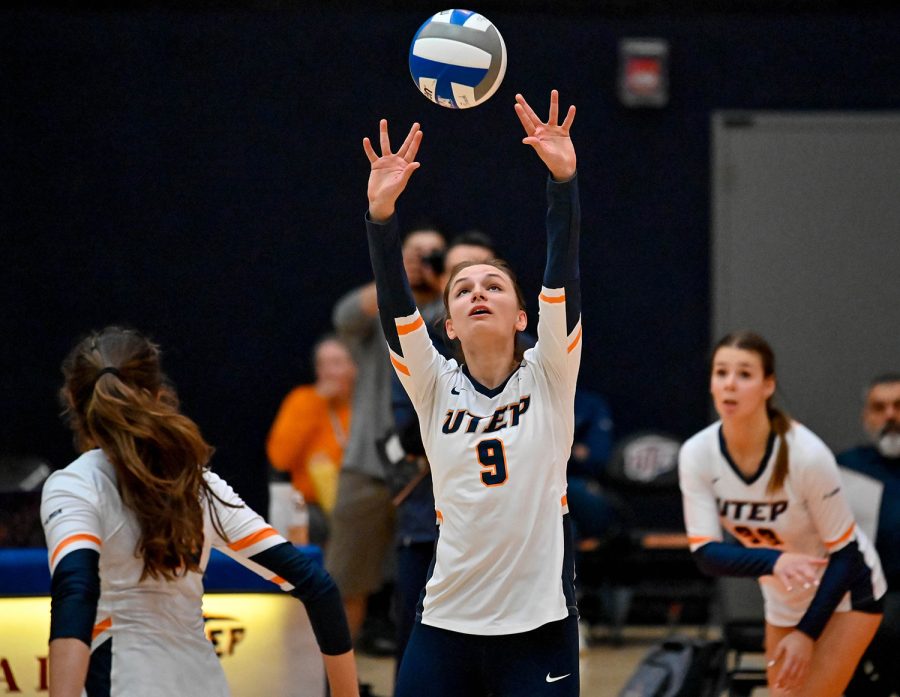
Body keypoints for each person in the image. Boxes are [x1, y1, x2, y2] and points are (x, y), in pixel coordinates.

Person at [362, 89, 582, 696]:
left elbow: (563, 274)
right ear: (449, 324)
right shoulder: (432, 385)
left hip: (539, 627)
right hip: (446, 625)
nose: (477, 291)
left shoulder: (551, 373)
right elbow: (394, 309)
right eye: (462, 290)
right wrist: (381, 219)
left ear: (521, 316)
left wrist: (562, 183)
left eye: (493, 284)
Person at [41, 326, 359, 697]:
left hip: (121, 682)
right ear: (159, 394)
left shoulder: (74, 485)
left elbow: (75, 594)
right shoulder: (198, 484)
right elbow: (316, 585)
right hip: (203, 682)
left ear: (73, 402)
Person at [678, 331, 885, 697]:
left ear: (767, 385)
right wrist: (776, 562)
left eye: (744, 374)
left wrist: (806, 633)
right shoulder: (697, 453)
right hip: (783, 596)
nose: (730, 384)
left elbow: (846, 554)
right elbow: (707, 555)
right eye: (721, 372)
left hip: (848, 590)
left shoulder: (806, 454)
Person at [326, 223, 445, 652]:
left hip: (433, 474)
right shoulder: (387, 311)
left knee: (435, 590)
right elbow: (344, 317)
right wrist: (392, 271)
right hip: (369, 467)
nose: (420, 261)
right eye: (412, 252)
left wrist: (445, 281)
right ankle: (333, 683)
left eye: (431, 255)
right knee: (345, 581)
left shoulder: (456, 313)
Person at [838, 373, 900, 696]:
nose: (890, 416)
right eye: (880, 407)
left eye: (898, 406)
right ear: (867, 416)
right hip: (863, 596)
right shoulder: (846, 468)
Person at [267, 334, 356, 545]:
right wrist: (316, 402)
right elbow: (280, 459)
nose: (328, 372)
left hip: (358, 502)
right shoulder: (302, 400)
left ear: (355, 367)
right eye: (322, 364)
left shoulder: (363, 405)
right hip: (312, 507)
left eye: (336, 363)